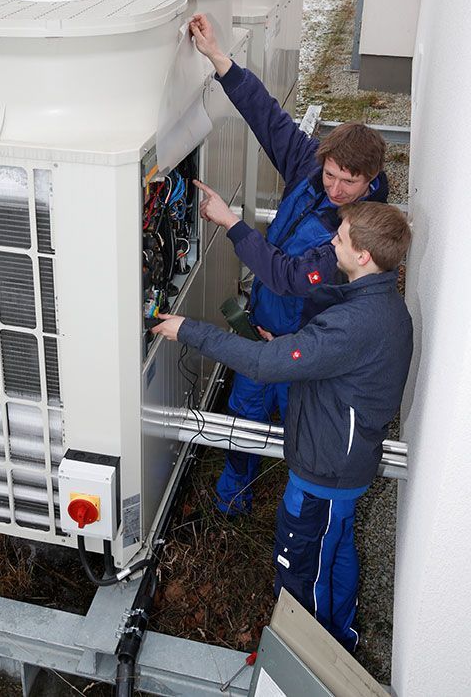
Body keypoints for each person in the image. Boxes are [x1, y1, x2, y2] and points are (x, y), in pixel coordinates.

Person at [153, 201, 413, 652]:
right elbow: (330, 357)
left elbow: (263, 364)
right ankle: (341, 638)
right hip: (343, 463)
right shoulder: (381, 306)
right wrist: (298, 347)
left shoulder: (355, 323)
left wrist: (189, 330)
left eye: (340, 238)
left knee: (301, 568)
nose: (331, 242)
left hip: (324, 471)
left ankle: (305, 657)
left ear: (364, 256)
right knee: (336, 551)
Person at [188, 13, 389, 516]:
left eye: (349, 181)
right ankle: (234, 497)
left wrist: (230, 224)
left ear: (371, 181)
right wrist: (218, 57)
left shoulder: (358, 231)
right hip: (263, 324)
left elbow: (289, 276)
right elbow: (266, 115)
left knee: (292, 415)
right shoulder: (308, 167)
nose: (335, 188)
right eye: (330, 174)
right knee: (246, 410)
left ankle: (295, 493)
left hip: (301, 343)